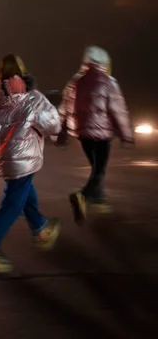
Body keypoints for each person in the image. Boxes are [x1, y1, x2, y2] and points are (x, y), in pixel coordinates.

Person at [0, 54, 62, 273]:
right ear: (22, 73)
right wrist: (40, 116)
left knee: (24, 194)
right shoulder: (32, 98)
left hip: (3, 162)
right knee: (12, 203)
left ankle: (41, 229)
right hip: (25, 160)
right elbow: (55, 126)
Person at [56, 46, 134, 222]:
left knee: (95, 168)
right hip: (102, 134)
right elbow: (118, 110)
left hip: (83, 133)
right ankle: (82, 195)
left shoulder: (75, 82)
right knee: (99, 170)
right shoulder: (108, 81)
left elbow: (64, 110)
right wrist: (126, 135)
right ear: (104, 62)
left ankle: (98, 201)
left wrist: (61, 134)